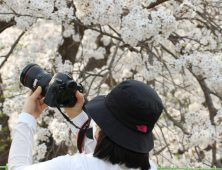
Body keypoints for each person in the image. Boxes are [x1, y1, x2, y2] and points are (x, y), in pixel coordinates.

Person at [8, 80, 163, 170]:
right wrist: (77, 116)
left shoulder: (72, 166)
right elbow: (105, 161)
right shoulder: (150, 167)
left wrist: (28, 116)